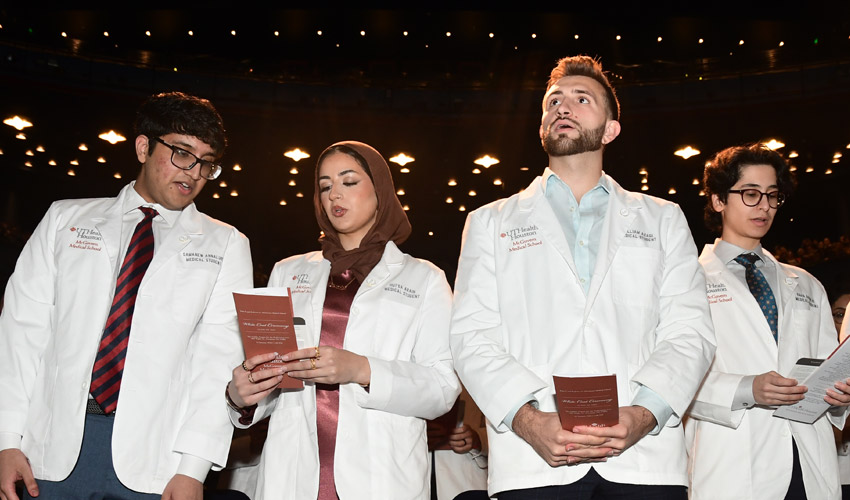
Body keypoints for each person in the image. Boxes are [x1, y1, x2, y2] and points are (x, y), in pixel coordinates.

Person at [449, 55, 716, 498]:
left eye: (581, 98)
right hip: (533, 460)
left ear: (611, 128)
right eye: (553, 101)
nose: (563, 107)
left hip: (644, 460)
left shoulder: (662, 217)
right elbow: (471, 337)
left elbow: (691, 332)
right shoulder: (489, 221)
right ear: (541, 126)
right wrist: (528, 420)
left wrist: (644, 414)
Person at [0, 92, 253, 500]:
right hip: (47, 449)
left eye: (207, 163)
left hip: (155, 462)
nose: (194, 172)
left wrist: (193, 468)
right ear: (142, 146)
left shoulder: (226, 244)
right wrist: (6, 439)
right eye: (182, 154)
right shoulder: (64, 219)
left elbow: (216, 364)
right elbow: (20, 336)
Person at [226, 141, 459, 499]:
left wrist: (361, 369)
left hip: (381, 477)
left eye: (349, 181)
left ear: (380, 190)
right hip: (293, 474)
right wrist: (244, 396)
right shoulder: (287, 272)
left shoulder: (424, 278)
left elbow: (443, 388)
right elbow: (274, 381)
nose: (335, 193)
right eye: (324, 186)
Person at [685, 143, 850, 499]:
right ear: (717, 200)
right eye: (750, 193)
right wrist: (747, 389)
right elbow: (674, 380)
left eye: (773, 196)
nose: (764, 206)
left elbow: (827, 365)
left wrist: (839, 396)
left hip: (808, 461)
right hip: (733, 461)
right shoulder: (687, 281)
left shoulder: (806, 282)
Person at [426, 387, 488, 500]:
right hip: (415, 476)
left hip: (464, 479)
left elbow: (503, 436)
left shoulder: (477, 382)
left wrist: (477, 439)